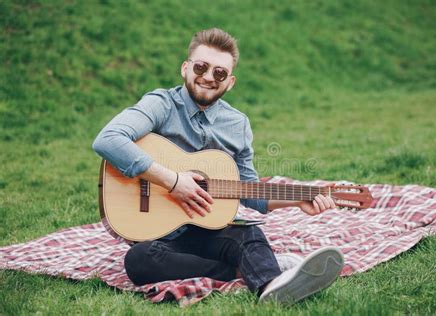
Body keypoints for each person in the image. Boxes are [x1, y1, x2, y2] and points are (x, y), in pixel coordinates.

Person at [93, 28, 344, 304]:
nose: (209, 77)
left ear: (231, 82)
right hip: (158, 235)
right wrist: (173, 182)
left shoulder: (237, 124)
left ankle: (273, 287)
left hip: (210, 228)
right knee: (139, 260)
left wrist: (301, 199)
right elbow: (108, 139)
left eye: (220, 73)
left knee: (249, 233)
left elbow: (250, 191)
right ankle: (245, 270)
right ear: (185, 68)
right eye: (201, 67)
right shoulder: (161, 104)